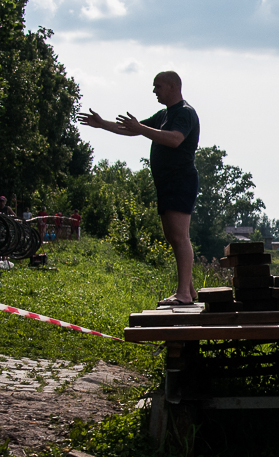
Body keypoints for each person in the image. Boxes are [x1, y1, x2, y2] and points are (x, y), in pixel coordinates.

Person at [79, 70, 200, 305]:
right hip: (166, 182)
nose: (154, 91)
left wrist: (141, 129)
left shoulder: (185, 113)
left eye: (158, 86)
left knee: (179, 236)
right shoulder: (164, 114)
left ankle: (183, 294)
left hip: (180, 180)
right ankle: (190, 290)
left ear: (173, 87)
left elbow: (175, 139)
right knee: (172, 236)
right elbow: (132, 129)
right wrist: (102, 124)